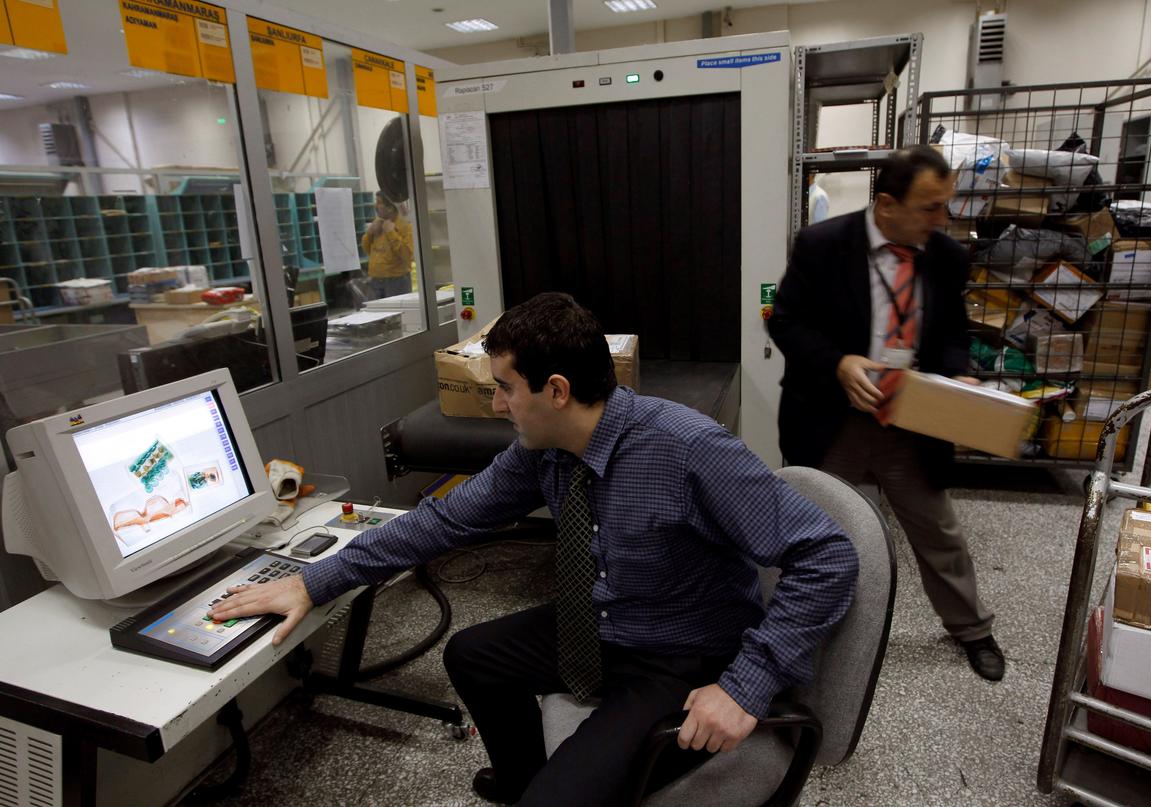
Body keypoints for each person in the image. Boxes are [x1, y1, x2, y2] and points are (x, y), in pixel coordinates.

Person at [210, 292, 857, 806]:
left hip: (681, 656)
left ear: (556, 390)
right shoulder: (542, 450)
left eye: (505, 387)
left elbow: (827, 555)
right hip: (607, 626)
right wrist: (314, 581)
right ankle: (527, 784)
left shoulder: (686, 449)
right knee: (473, 655)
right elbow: (444, 520)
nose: (496, 404)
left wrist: (744, 687)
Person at [767, 145, 1005, 683]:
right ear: (887, 205)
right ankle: (790, 631)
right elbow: (786, 321)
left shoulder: (945, 256)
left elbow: (952, 334)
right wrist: (838, 362)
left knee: (939, 531)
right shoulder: (823, 245)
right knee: (812, 530)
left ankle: (971, 628)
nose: (941, 219)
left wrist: (958, 375)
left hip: (912, 422)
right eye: (930, 207)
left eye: (945, 205)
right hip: (833, 420)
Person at [362, 191, 414, 298]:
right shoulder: (378, 223)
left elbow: (407, 255)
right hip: (375, 280)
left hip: (397, 280)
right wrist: (369, 233)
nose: (375, 206)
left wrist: (391, 233)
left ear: (390, 208)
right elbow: (367, 250)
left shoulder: (405, 226)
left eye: (379, 202)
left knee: (397, 309)